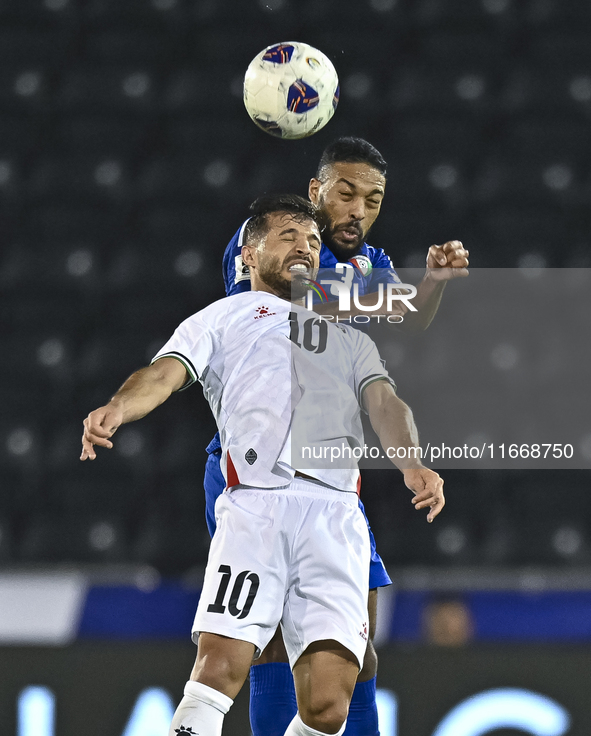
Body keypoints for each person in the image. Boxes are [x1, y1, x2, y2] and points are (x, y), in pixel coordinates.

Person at [81, 194, 445, 736]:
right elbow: (163, 374)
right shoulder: (222, 318)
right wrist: (118, 407)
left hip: (336, 514)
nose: (306, 247)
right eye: (289, 237)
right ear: (249, 255)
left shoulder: (348, 332)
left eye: (314, 242)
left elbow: (384, 402)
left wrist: (414, 464)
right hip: (256, 508)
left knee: (328, 705)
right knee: (218, 668)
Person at [207, 138, 468, 736]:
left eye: (372, 200)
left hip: (329, 477)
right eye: (345, 194)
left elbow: (400, 316)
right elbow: (302, 302)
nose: (357, 210)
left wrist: (430, 285)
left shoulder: (369, 263)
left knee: (356, 648)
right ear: (315, 190)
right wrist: (400, 297)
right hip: (254, 473)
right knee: (273, 643)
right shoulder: (264, 244)